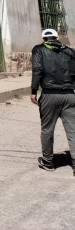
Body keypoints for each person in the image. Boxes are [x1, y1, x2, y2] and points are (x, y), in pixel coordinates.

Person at [31, 28, 75, 174]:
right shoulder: (70, 51)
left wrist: (33, 91)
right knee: (73, 130)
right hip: (69, 95)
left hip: (50, 94)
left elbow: (37, 70)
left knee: (47, 128)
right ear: (56, 37)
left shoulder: (39, 50)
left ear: (44, 39)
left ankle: (48, 162)